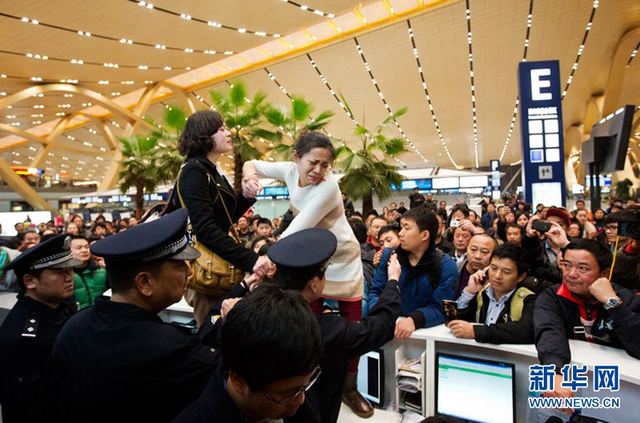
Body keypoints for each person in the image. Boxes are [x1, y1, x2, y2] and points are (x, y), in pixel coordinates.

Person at [199, 228, 401, 422]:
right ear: (315, 284)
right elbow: (379, 327)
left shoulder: (248, 315)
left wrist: (242, 287)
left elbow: (208, 327)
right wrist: (393, 281)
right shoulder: (328, 329)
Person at [51, 210, 219, 423]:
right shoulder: (168, 347)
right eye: (179, 265)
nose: (189, 272)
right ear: (145, 283)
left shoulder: (74, 326)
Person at [242, 131, 367, 415]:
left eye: (326, 165)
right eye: (313, 162)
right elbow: (252, 162)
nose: (319, 170)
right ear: (296, 157)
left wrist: (265, 260)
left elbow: (296, 228)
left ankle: (348, 387)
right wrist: (249, 177)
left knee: (353, 330)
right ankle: (306, 382)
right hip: (314, 259)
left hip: (343, 260)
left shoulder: (329, 188)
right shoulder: (287, 171)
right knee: (307, 324)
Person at [173, 110, 272, 326]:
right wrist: (252, 260)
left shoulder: (211, 170)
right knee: (213, 336)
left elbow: (224, 219)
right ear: (204, 135)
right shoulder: (194, 172)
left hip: (218, 271)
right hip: (206, 274)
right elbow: (206, 230)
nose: (228, 133)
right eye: (220, 129)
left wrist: (246, 197)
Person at [173, 284, 324, 423]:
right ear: (238, 380)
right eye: (286, 394)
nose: (301, 400)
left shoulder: (294, 372)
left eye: (307, 383)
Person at [534, 239, 640, 400]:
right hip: (574, 384)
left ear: (604, 274)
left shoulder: (625, 298)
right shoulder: (551, 297)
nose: (571, 274)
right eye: (567, 265)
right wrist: (554, 371)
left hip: (620, 390)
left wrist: (612, 303)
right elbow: (549, 332)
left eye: (582, 268)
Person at [0, 234, 81, 423]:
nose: (70, 277)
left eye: (70, 270)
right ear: (30, 281)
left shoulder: (61, 306)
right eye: (59, 272)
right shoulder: (24, 335)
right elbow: (26, 406)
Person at [369, 206, 458, 339]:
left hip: (427, 336)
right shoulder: (389, 257)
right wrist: (384, 315)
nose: (400, 233)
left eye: (407, 228)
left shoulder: (446, 266)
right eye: (401, 227)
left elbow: (441, 308)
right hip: (387, 328)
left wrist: (415, 320)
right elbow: (375, 292)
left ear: (424, 235)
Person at [448, 243, 535, 344]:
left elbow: (525, 331)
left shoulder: (529, 299)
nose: (497, 276)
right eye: (493, 268)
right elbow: (455, 323)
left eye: (506, 272)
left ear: (521, 276)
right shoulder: (481, 293)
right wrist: (469, 293)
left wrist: (476, 332)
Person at [68, 235, 108, 309]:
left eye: (87, 247)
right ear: (69, 251)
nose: (84, 250)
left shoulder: (102, 271)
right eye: (79, 248)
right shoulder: (66, 276)